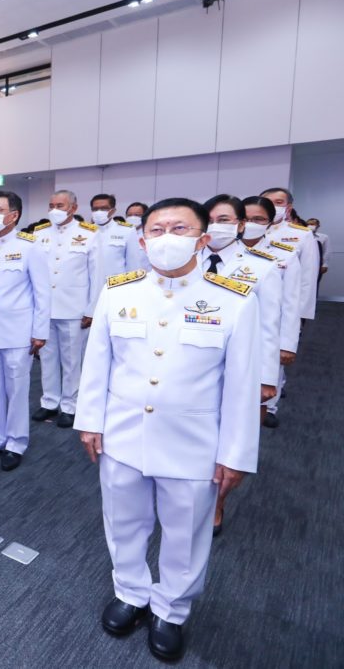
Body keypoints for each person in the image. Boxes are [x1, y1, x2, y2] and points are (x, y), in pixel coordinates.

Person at [75, 198, 260, 661]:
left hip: (193, 443)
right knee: (123, 521)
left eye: (179, 228)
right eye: (156, 230)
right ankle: (130, 593)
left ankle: (171, 610)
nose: (166, 238)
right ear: (142, 241)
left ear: (202, 239)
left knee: (186, 532)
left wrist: (235, 453)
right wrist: (90, 421)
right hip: (122, 434)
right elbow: (97, 362)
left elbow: (241, 386)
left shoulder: (234, 299)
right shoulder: (119, 292)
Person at [202, 195, 288, 533]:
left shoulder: (262, 266)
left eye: (224, 219)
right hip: (198, 367)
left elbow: (269, 325)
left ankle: (218, 500)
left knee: (230, 440)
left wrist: (267, 378)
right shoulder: (189, 259)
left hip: (241, 368)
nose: (215, 226)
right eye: (209, 219)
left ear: (239, 225)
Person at [0, 191, 50, 471]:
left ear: (14, 215)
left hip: (18, 331)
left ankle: (15, 442)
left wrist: (40, 332)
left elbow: (42, 292)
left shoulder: (30, 246)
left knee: (16, 388)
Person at [32, 190, 100, 428]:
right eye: (51, 205)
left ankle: (70, 406)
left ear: (73, 208)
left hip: (74, 309)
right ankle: (49, 401)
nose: (54, 210)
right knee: (47, 358)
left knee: (72, 361)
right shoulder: (39, 233)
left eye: (60, 205)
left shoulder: (89, 234)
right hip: (44, 309)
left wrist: (91, 309)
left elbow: (96, 275)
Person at [241, 196, 302, 429]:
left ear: (270, 222)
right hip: (231, 334)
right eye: (246, 218)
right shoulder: (220, 251)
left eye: (258, 219)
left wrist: (287, 344)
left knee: (260, 395)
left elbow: (290, 303)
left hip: (266, 334)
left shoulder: (284, 255)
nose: (251, 223)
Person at [260, 188, 319, 321]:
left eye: (278, 202)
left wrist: (301, 313)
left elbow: (308, 275)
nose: (272, 206)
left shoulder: (301, 234)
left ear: (288, 207)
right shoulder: (247, 230)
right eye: (267, 202)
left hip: (284, 302)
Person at [90, 193, 139, 277]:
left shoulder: (127, 230)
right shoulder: (86, 231)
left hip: (117, 282)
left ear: (113, 210)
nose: (99, 212)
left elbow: (133, 264)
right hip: (92, 282)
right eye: (95, 209)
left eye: (104, 208)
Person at [307, 217, 329, 292]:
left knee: (315, 283)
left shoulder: (323, 237)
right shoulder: (302, 236)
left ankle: (314, 299)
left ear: (318, 226)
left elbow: (326, 251)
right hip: (305, 262)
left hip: (317, 264)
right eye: (309, 224)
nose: (310, 225)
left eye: (313, 224)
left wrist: (325, 264)